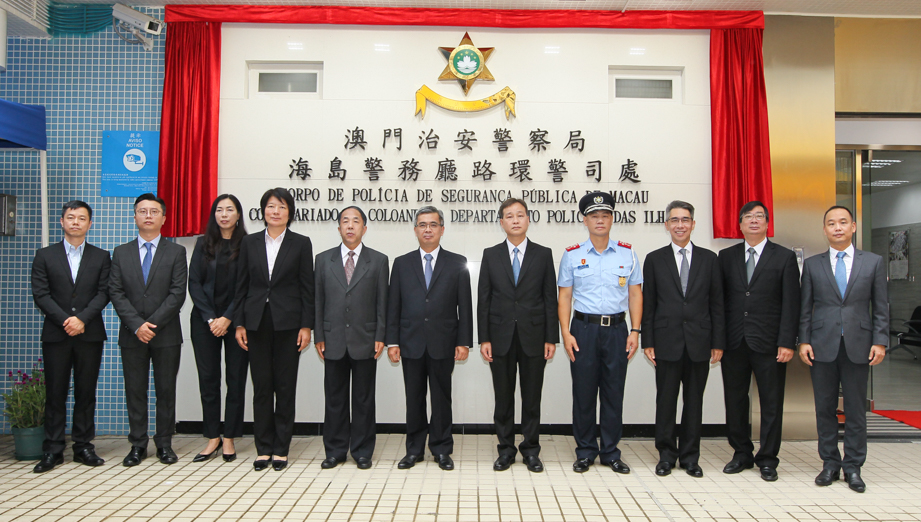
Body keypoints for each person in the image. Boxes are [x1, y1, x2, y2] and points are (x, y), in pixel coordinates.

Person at [799, 205, 888, 493]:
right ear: (824, 230)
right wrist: (804, 340)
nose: (837, 227)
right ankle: (830, 463)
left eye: (842, 222)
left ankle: (853, 467)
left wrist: (880, 340)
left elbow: (881, 306)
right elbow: (805, 308)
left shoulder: (872, 262)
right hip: (822, 345)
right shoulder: (813, 265)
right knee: (824, 408)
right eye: (831, 223)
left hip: (859, 346)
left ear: (853, 227)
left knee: (855, 410)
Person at [557, 191, 642, 474]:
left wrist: (635, 330)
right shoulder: (572, 255)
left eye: (605, 215)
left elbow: (635, 294)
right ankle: (585, 451)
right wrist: (565, 334)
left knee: (613, 392)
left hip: (618, 330)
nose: (600, 220)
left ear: (612, 218)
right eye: (594, 216)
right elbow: (565, 297)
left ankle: (610, 452)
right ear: (585, 220)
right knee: (583, 393)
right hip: (583, 329)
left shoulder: (627, 253)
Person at [641, 200, 724, 478]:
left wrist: (718, 342)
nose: (680, 225)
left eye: (685, 220)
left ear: (693, 224)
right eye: (674, 220)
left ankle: (690, 457)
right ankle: (666, 455)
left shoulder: (709, 259)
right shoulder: (654, 259)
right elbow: (649, 303)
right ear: (666, 225)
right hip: (665, 341)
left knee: (694, 402)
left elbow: (717, 304)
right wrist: (647, 340)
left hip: (700, 342)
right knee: (665, 401)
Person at [718, 201, 800, 481]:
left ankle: (768, 458)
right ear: (739, 224)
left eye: (759, 217)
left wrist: (787, 342)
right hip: (734, 342)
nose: (753, 221)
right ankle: (741, 453)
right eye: (748, 217)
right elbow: (719, 303)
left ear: (767, 223)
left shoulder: (784, 257)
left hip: (770, 343)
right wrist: (718, 340)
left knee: (771, 402)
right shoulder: (725, 257)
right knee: (735, 400)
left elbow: (792, 303)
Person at [386, 206, 472, 471]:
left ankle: (442, 449)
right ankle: (414, 450)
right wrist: (392, 341)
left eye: (433, 224)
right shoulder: (401, 263)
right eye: (422, 225)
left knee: (441, 399)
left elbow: (465, 307)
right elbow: (394, 305)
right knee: (414, 399)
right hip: (410, 342)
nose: (427, 229)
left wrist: (463, 341)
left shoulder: (457, 262)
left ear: (442, 229)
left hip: (443, 342)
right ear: (415, 230)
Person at [234, 188, 314, 472]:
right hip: (256, 322)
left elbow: (307, 288)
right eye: (270, 206)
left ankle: (281, 448)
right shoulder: (250, 243)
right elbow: (241, 285)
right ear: (262, 211)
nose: (275, 211)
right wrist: (240, 322)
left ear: (289, 212)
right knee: (262, 387)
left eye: (281, 206)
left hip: (289, 324)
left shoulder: (301, 243)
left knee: (285, 386)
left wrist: (307, 325)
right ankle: (263, 448)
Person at [478, 198, 558, 473]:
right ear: (501, 222)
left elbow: (550, 299)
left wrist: (551, 338)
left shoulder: (543, 254)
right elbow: (483, 300)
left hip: (534, 336)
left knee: (532, 397)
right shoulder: (490, 254)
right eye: (509, 216)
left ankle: (531, 450)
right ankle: (506, 450)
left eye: (520, 215)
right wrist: (484, 338)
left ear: (527, 219)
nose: (515, 220)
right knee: (503, 398)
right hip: (499, 337)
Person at [30, 201, 111, 473]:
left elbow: (104, 293)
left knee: (86, 393)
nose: (76, 222)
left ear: (90, 224)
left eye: (82, 218)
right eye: (71, 217)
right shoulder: (45, 255)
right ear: (62, 222)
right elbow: (40, 294)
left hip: (89, 334)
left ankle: (83, 446)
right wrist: (66, 320)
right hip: (57, 333)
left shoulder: (101, 257)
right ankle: (52, 449)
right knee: (55, 393)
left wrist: (82, 319)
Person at [109, 193, 188, 466]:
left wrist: (151, 324)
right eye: (142, 211)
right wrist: (136, 325)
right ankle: (137, 445)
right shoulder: (120, 252)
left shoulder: (177, 252)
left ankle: (164, 444)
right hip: (132, 335)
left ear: (163, 218)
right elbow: (116, 292)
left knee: (165, 390)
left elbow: (177, 293)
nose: (148, 216)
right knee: (135, 390)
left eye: (154, 211)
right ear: (135, 217)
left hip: (165, 334)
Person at [315, 206, 389, 470]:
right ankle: (335, 451)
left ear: (364, 228)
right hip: (332, 338)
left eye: (355, 221)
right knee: (334, 398)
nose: (350, 226)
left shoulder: (378, 260)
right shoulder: (323, 260)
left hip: (366, 338)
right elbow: (318, 301)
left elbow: (383, 302)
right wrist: (319, 335)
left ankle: (362, 451)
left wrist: (381, 334)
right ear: (338, 228)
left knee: (363, 399)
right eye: (345, 221)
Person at [188, 194, 248, 463]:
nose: (224, 214)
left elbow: (247, 286)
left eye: (230, 210)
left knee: (235, 380)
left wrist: (227, 318)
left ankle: (230, 438)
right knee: (208, 379)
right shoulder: (203, 244)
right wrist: (212, 318)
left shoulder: (248, 244)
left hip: (237, 323)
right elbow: (194, 283)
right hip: (204, 322)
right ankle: (212, 436)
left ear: (238, 215)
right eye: (219, 210)